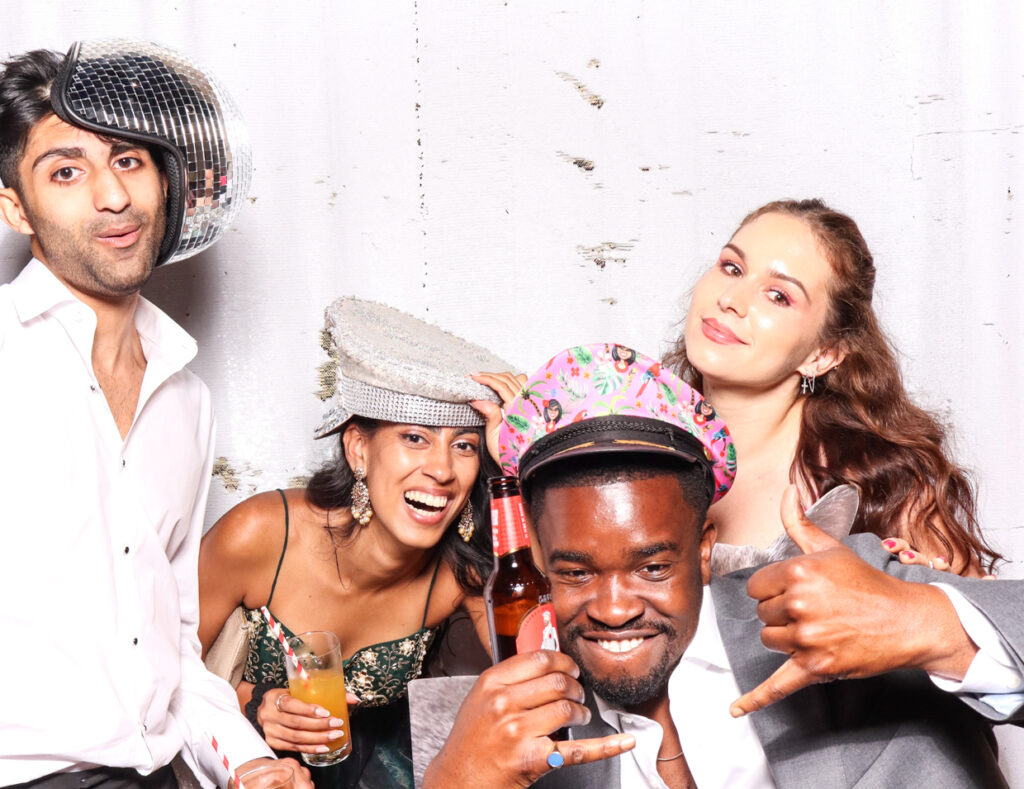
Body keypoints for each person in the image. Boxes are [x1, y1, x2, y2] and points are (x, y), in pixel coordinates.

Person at [425, 344, 1024, 788]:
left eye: (653, 567)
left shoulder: (834, 603)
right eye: (577, 572)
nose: (613, 609)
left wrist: (930, 625)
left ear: (704, 547)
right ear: (539, 562)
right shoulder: (537, 737)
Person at [0, 42, 308, 788]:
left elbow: (167, 643)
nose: (112, 196)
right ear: (14, 204)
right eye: (66, 170)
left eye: (130, 160)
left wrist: (246, 760)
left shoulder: (186, 400)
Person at [198, 297, 518, 788]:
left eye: (465, 446)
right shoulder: (262, 534)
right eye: (415, 438)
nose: (441, 469)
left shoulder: (461, 570)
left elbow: (543, 670)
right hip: (242, 768)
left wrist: (516, 464)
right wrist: (255, 702)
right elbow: (161, 672)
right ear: (358, 448)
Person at [663, 199, 1000, 576]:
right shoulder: (628, 440)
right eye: (732, 268)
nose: (730, 300)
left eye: (778, 296)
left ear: (823, 354)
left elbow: (985, 621)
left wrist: (916, 606)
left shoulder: (885, 482)